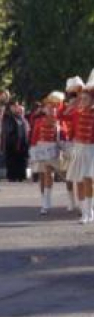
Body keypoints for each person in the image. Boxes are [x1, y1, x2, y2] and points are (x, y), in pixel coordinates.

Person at [29, 93, 65, 215]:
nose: (50, 109)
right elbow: (34, 136)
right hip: (40, 149)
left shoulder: (59, 121)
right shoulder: (39, 120)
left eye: (53, 106)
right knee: (43, 175)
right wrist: (33, 151)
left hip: (53, 150)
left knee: (49, 173)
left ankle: (47, 201)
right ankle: (44, 200)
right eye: (48, 106)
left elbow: (62, 136)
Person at [66, 82, 94, 224]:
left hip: (91, 149)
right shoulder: (76, 112)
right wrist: (75, 101)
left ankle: (90, 211)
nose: (82, 101)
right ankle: (84, 212)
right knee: (80, 181)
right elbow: (62, 115)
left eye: (85, 99)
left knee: (89, 180)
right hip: (79, 148)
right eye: (81, 99)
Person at [3, 100, 30, 182]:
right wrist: (15, 140)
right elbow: (8, 130)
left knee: (21, 160)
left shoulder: (20, 117)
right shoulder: (8, 117)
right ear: (10, 107)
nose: (16, 107)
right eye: (14, 106)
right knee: (12, 160)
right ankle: (12, 176)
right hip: (12, 143)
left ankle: (21, 175)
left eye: (17, 106)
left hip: (22, 143)